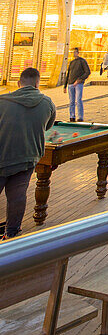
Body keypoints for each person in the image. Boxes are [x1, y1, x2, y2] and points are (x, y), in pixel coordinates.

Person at [0, 67, 56, 238]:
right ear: (38, 84)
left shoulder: (2, 101)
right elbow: (47, 126)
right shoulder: (47, 103)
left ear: (19, 83)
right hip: (27, 157)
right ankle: (12, 233)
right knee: (17, 196)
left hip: (1, 156)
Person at [64, 47, 91, 122]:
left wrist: (80, 79)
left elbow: (87, 72)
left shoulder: (82, 61)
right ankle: (72, 116)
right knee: (71, 101)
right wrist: (65, 85)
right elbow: (68, 74)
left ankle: (80, 117)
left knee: (79, 100)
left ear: (78, 53)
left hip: (78, 83)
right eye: (73, 52)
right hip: (70, 83)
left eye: (75, 52)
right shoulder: (72, 62)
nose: (74, 53)